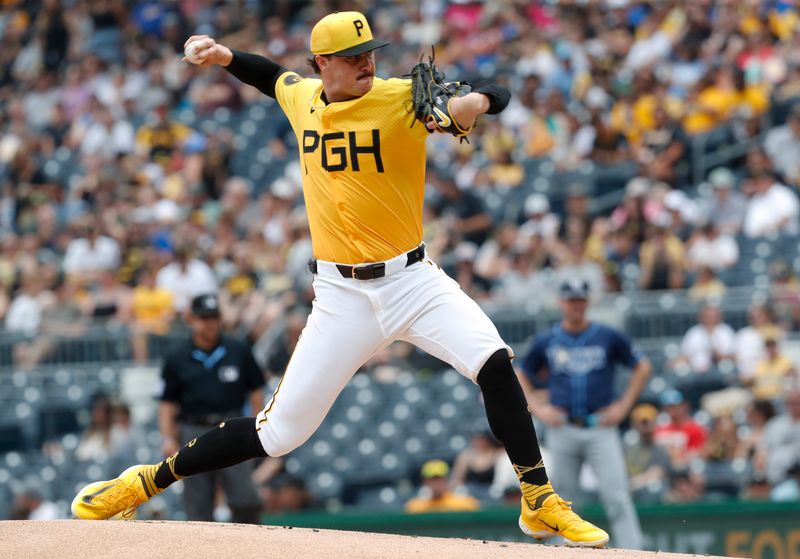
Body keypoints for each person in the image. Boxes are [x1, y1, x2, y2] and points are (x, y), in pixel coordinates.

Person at [72, 12, 608, 547]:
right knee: (277, 435)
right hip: (341, 296)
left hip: (413, 281)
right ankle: (144, 482)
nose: (366, 63)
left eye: (371, 52)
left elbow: (496, 89)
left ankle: (538, 498)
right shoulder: (303, 98)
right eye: (353, 57)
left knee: (493, 361)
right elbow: (270, 76)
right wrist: (223, 56)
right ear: (322, 64)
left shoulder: (401, 98)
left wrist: (477, 103)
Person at [517, 278, 651, 549]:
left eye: (580, 300)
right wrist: (539, 408)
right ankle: (557, 553)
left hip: (600, 426)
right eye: (571, 300)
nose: (576, 305)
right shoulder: (548, 339)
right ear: (561, 302)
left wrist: (623, 406)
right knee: (561, 500)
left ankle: (635, 553)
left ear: (587, 302)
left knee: (617, 498)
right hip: (563, 426)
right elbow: (521, 373)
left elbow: (642, 366)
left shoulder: (607, 335)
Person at [157, 293, 266, 523]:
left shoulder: (238, 350)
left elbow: (256, 391)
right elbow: (167, 403)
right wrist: (167, 437)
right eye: (204, 317)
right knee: (197, 504)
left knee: (246, 499)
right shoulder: (178, 357)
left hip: (233, 428)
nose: (210, 323)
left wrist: (257, 429)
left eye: (214, 317)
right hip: (193, 430)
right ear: (191, 319)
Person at [404, 459, 480, 514]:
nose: (436, 483)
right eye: (433, 479)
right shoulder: (415, 507)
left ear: (446, 480)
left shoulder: (464, 504)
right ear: (425, 482)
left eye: (439, 479)